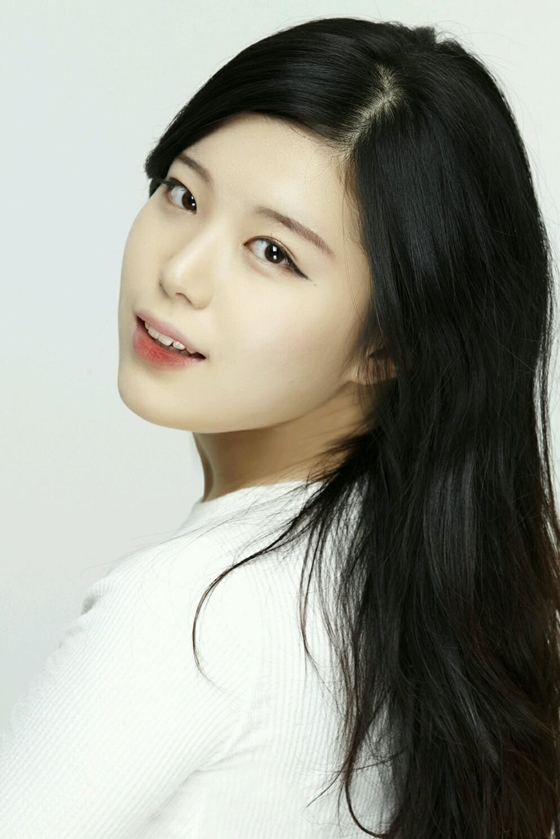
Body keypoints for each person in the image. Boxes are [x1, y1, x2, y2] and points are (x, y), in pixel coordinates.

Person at [2, 15, 560, 839]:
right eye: (183, 195)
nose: (180, 272)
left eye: (273, 253)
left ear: (389, 344)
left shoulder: (184, 619)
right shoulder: (448, 603)